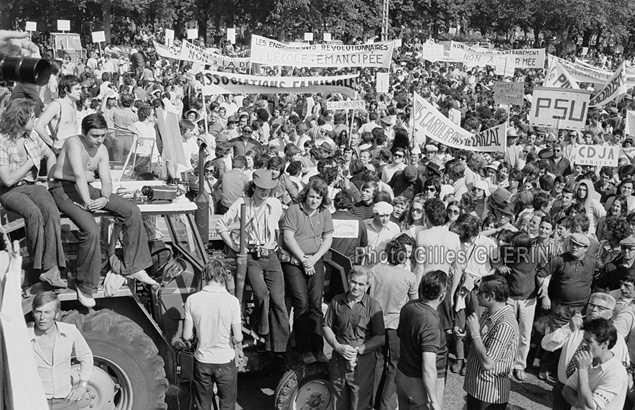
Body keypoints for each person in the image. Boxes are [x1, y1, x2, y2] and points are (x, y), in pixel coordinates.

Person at [48, 113, 155, 307]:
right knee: (91, 230)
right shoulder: (73, 142)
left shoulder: (103, 149)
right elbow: (79, 174)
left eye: (103, 135)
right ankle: (85, 284)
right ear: (84, 133)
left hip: (87, 189)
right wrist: (88, 202)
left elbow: (106, 180)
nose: (99, 140)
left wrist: (104, 198)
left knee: (132, 211)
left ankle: (133, 266)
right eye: (95, 136)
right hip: (63, 189)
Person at [216, 170, 289, 352]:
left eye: (268, 189)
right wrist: (234, 246)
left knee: (279, 299)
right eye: (262, 188)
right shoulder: (242, 203)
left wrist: (277, 242)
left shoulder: (275, 204)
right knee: (262, 293)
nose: (265, 192)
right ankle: (261, 331)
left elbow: (282, 222)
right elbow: (221, 225)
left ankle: (280, 344)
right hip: (251, 256)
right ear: (254, 187)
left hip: (270, 255)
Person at [0, 99, 65, 287]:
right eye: (32, 116)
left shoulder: (33, 136)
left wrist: (51, 180)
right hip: (9, 190)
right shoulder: (3, 140)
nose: (35, 119)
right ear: (20, 118)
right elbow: (8, 179)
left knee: (51, 212)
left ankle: (51, 269)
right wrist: (29, 162)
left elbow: (51, 155)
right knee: (33, 214)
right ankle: (39, 268)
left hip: (33, 184)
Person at [542, 293, 628, 410]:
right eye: (592, 305)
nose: (594, 310)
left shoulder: (616, 339)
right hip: (564, 388)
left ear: (610, 314)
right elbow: (546, 344)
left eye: (600, 308)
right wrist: (568, 329)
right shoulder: (575, 326)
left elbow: (618, 371)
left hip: (593, 394)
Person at [281, 178, 334, 364]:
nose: (314, 201)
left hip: (315, 259)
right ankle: (303, 349)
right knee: (301, 303)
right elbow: (288, 238)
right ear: (306, 195)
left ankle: (318, 348)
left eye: (318, 198)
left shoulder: (324, 213)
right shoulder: (295, 210)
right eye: (311, 197)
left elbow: (328, 238)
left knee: (316, 304)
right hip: (296, 260)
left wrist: (315, 258)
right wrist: (303, 259)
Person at [182, 260, 243, 410]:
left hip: (202, 360)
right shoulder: (232, 301)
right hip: (225, 360)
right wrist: (231, 341)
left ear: (205, 277)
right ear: (223, 276)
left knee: (203, 405)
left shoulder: (192, 300)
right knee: (227, 405)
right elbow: (239, 337)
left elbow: (186, 335)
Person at [323, 266, 386, 410]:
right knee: (337, 401)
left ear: (367, 286)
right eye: (353, 282)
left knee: (359, 402)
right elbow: (326, 326)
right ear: (348, 280)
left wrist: (358, 350)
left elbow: (380, 337)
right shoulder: (337, 301)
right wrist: (337, 347)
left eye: (361, 284)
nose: (356, 287)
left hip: (362, 363)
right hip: (339, 359)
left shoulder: (373, 306)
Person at [369, 238, 417, 410]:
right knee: (394, 365)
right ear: (404, 258)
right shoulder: (409, 277)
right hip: (396, 326)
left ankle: (373, 401)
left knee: (378, 362)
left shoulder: (375, 270)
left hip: (375, 323)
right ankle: (386, 404)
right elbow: (413, 305)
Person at [29, 291, 93, 410]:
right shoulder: (24, 335)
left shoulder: (70, 331)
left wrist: (82, 386)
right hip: (36, 401)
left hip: (66, 401)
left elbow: (86, 356)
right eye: (38, 312)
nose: (42, 318)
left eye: (47, 312)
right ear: (33, 313)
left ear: (56, 314)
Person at [464, 274, 519, 410]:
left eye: (480, 291)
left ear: (491, 296)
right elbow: (481, 342)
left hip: (489, 397)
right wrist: (467, 335)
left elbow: (488, 363)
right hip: (476, 389)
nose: (476, 294)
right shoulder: (488, 313)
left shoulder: (505, 324)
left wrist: (475, 333)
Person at [395, 270, 449, 410]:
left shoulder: (408, 306)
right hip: (420, 384)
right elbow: (428, 366)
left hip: (402, 375)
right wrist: (433, 401)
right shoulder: (430, 323)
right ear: (442, 296)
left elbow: (401, 334)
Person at [562, 318, 628, 410]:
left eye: (589, 341)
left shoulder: (616, 373)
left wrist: (582, 370)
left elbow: (590, 407)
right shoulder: (589, 361)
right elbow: (567, 389)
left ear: (605, 344)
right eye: (584, 340)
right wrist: (578, 403)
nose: (583, 344)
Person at [34, 75, 82, 152]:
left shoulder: (73, 104)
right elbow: (38, 127)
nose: (80, 92)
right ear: (66, 90)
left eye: (80, 89)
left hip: (73, 148)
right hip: (61, 149)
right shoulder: (56, 105)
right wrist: (53, 144)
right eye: (77, 89)